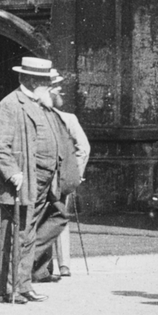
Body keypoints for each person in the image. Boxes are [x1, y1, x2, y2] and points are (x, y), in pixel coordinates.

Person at [0, 55, 78, 303]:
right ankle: (13, 288)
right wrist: (12, 171)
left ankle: (24, 283)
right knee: (18, 234)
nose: (49, 85)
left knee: (39, 228)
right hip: (23, 181)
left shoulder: (40, 102)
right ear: (29, 79)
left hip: (46, 182)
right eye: (44, 81)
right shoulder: (10, 104)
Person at [37, 69, 90, 281]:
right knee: (53, 218)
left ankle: (62, 263)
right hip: (52, 178)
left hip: (57, 179)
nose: (61, 92)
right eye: (57, 87)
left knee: (54, 217)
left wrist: (73, 173)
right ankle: (50, 265)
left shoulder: (68, 118)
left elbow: (83, 148)